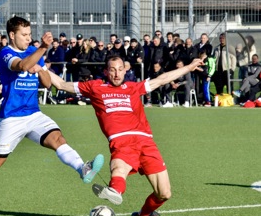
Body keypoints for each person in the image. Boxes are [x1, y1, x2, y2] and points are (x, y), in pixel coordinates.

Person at [0, 16, 104, 216]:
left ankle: (82, 168)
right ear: (12, 35)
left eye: (30, 34)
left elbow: (48, 84)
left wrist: (41, 70)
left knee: (58, 138)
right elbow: (21, 66)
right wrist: (42, 48)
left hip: (33, 114)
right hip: (11, 118)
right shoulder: (6, 53)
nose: (28, 38)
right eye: (24, 35)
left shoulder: (34, 52)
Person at [49, 55, 203, 216]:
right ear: (106, 72)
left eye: (120, 70)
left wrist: (188, 67)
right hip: (121, 140)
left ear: (125, 70)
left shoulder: (133, 87)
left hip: (146, 141)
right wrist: (41, 68)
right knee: (119, 169)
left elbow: (162, 79)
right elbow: (61, 84)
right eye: (112, 70)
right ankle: (114, 190)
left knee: (164, 193)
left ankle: (142, 214)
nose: (117, 74)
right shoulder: (95, 87)